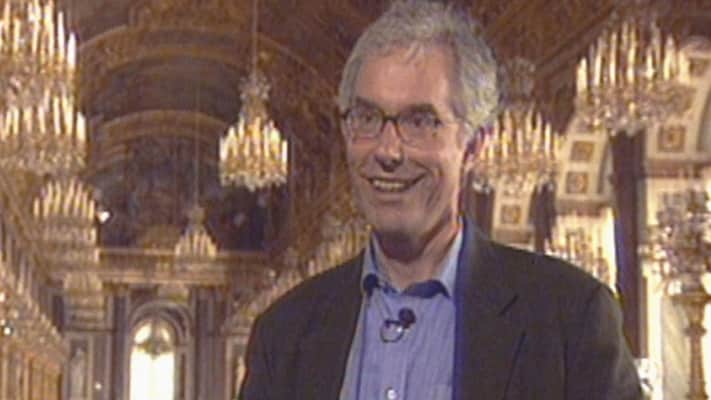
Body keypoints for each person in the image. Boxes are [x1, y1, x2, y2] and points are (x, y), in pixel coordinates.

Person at [239, 1, 642, 399]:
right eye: (367, 118)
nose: (388, 151)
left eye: (420, 121)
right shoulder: (284, 333)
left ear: (474, 145)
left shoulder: (570, 318)